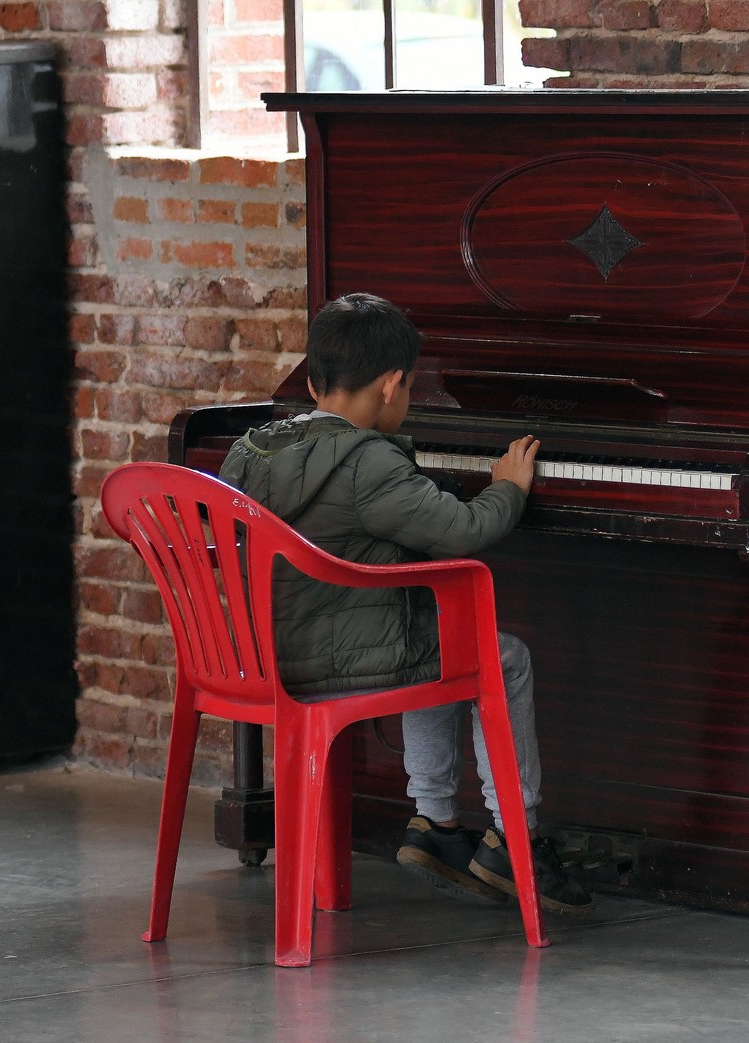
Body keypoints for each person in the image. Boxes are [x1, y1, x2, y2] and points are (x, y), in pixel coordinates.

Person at [218, 291, 592, 915]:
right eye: (412, 387)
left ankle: (437, 825)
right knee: (504, 658)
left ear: (312, 382)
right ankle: (516, 838)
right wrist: (507, 487)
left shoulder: (252, 449)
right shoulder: (366, 462)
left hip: (258, 656)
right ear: (392, 385)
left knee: (428, 621)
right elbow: (466, 530)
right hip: (332, 664)